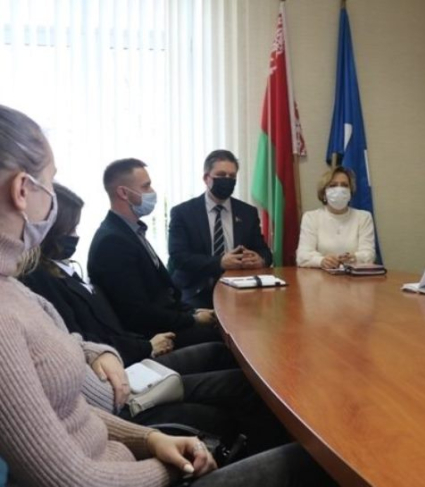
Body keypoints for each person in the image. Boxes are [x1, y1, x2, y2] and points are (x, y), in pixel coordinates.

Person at [0, 104, 334, 486]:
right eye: (51, 181)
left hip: (128, 442)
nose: (55, 201)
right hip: (134, 470)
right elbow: (73, 478)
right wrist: (176, 465)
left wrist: (148, 436)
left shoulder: (15, 289)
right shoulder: (8, 314)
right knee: (320, 461)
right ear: (22, 190)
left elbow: (76, 402)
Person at [21, 184, 290, 453]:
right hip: (126, 374)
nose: (75, 235)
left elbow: (109, 325)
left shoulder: (65, 268)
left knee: (221, 353)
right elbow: (111, 326)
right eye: (70, 228)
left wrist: (186, 316)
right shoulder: (47, 276)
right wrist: (148, 346)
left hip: (131, 357)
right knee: (239, 385)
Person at [88, 158, 220, 348]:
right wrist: (192, 319)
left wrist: (193, 312)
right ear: (123, 193)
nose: (152, 192)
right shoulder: (113, 242)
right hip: (152, 337)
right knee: (224, 339)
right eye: (146, 186)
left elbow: (160, 293)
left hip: (165, 321)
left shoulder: (131, 231)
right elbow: (137, 313)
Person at [169, 150, 272, 308]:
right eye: (221, 175)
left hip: (240, 290)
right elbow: (178, 257)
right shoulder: (183, 213)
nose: (227, 180)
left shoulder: (247, 212)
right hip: (197, 290)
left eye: (232, 176)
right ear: (206, 178)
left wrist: (260, 259)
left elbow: (265, 252)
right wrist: (220, 262)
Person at [296, 166, 376, 269]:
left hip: (354, 276)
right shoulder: (311, 218)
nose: (339, 189)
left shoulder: (364, 217)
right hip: (320, 276)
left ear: (350, 192)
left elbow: (369, 254)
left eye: (344, 185)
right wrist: (322, 261)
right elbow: (302, 256)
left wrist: (354, 258)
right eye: (333, 185)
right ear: (324, 193)